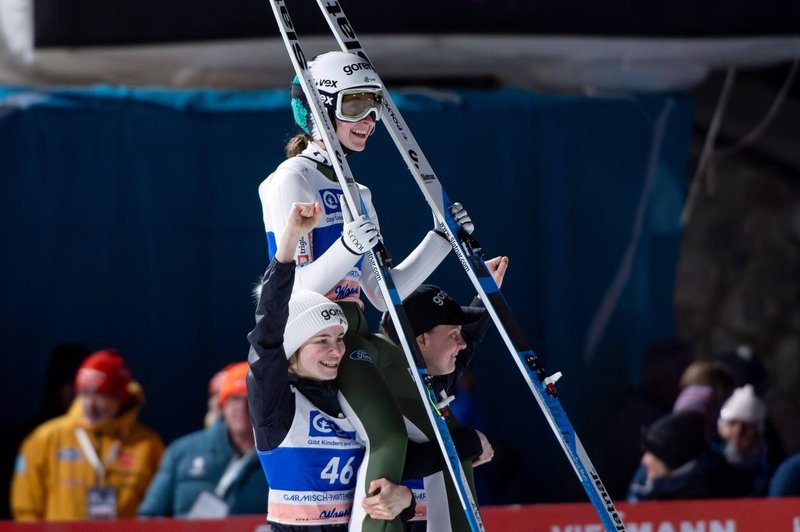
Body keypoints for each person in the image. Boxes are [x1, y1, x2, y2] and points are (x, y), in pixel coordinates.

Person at [258, 51, 473, 531]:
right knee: (389, 440)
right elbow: (293, 290)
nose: (369, 121)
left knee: (448, 437)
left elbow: (381, 292)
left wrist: (441, 241)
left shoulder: (360, 193)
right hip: (322, 332)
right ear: (319, 110)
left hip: (361, 328)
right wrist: (348, 246)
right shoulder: (289, 179)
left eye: (374, 107)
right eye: (354, 107)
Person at [247, 201, 415, 530]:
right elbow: (266, 333)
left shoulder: (348, 396)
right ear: (293, 348)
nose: (336, 349)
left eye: (339, 338)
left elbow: (409, 461)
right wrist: (290, 242)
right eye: (321, 340)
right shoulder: (274, 405)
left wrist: (405, 499)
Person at [377, 265, 508, 530]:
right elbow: (396, 460)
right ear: (421, 340)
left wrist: (485, 293)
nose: (460, 343)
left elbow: (469, 340)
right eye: (452, 334)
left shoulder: (428, 377)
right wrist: (469, 441)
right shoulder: (380, 386)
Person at [11, 349, 164, 520]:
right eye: (84, 394)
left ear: (121, 396)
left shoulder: (148, 445)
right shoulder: (45, 439)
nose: (90, 405)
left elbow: (158, 512)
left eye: (100, 395)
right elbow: (26, 509)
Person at [137, 362, 267, 518]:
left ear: (264, 406)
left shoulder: (280, 457)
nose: (242, 407)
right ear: (222, 405)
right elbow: (148, 517)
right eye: (234, 398)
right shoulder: (182, 452)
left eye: (251, 398)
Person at [626, 411, 735, 502]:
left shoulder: (713, 488)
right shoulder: (643, 479)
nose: (644, 460)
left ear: (671, 457)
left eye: (654, 454)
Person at [715, 384, 770, 496]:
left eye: (747, 426)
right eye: (732, 423)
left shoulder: (766, 468)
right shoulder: (711, 458)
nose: (738, 431)